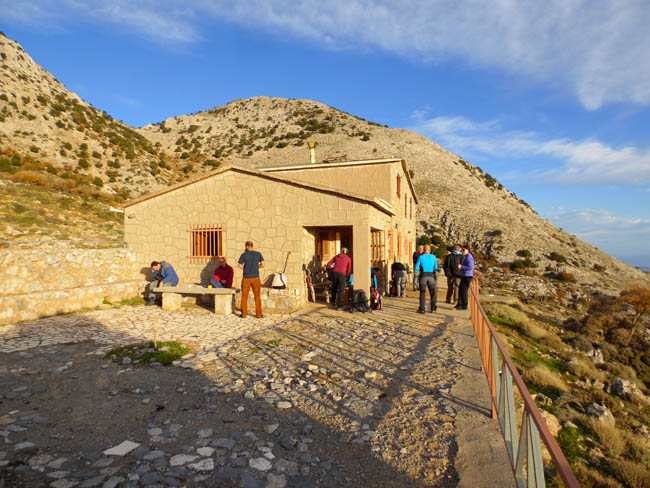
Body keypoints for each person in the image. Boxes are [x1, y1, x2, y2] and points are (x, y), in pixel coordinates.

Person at [237, 241, 265, 318]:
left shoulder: (244, 254)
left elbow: (239, 265)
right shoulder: (258, 254)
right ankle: (259, 314)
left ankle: (244, 314)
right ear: (252, 246)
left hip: (246, 278)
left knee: (244, 296)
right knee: (257, 296)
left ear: (246, 246)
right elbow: (263, 264)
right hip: (256, 278)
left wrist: (245, 267)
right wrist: (257, 266)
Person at [414, 244, 438, 313]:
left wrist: (421, 269)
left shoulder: (421, 257)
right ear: (430, 250)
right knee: (432, 293)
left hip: (423, 276)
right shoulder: (433, 257)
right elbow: (436, 267)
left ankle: (422, 309)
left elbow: (416, 267)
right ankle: (433, 309)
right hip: (431, 276)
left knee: (422, 293)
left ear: (423, 250)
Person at [455, 245, 475, 311]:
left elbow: (471, 267)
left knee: (463, 291)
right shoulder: (466, 257)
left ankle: (464, 305)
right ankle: (460, 305)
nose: (462, 251)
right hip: (464, 275)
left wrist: (461, 267)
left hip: (467, 276)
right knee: (461, 290)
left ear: (468, 250)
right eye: (462, 250)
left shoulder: (469, 257)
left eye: (464, 250)